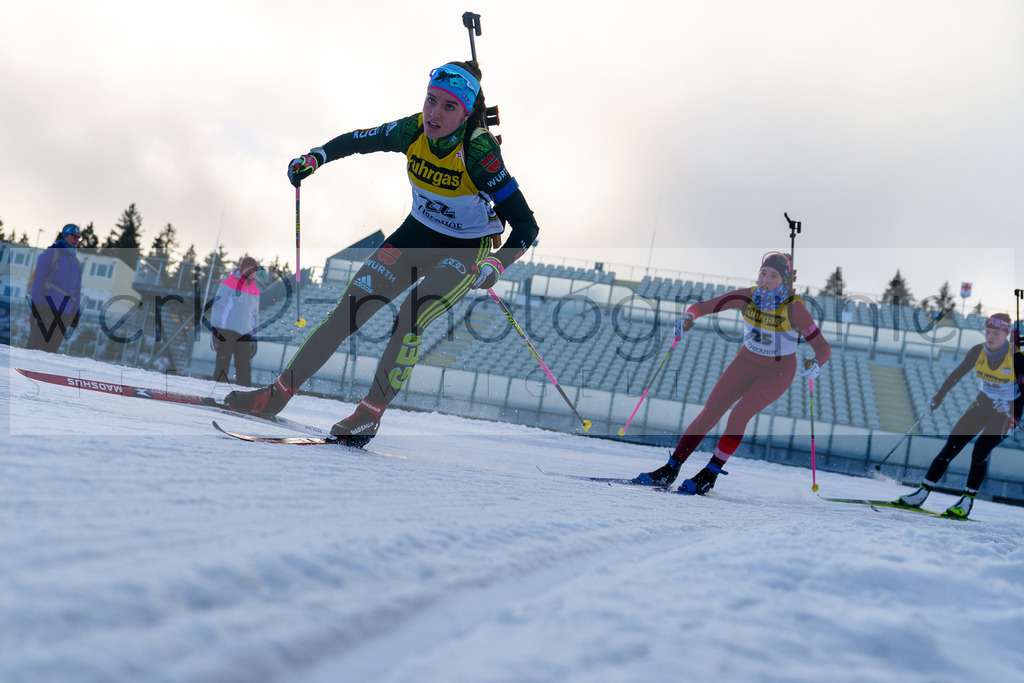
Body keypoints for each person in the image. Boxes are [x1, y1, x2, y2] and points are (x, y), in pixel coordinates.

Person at [225, 61, 539, 446]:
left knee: (413, 312)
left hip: (465, 249)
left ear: (465, 113)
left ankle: (369, 415)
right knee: (348, 312)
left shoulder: (479, 151)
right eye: (431, 100)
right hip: (416, 234)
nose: (434, 114)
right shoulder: (412, 129)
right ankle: (276, 396)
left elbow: (526, 226)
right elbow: (359, 140)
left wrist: (496, 264)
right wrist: (316, 157)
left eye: (449, 107)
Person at [633, 252, 832, 494]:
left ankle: (710, 473)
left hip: (778, 371)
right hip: (745, 361)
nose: (765, 280)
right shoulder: (746, 296)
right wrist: (688, 316)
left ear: (785, 281)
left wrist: (816, 363)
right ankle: (671, 468)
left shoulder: (794, 308)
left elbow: (823, 347)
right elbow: (702, 307)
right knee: (710, 412)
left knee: (739, 415)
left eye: (773, 276)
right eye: (763, 273)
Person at [895, 313, 1023, 518]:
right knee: (952, 445)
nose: (989, 337)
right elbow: (956, 375)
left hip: (1008, 412)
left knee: (980, 450)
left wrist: (1010, 404)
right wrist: (938, 397)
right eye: (987, 332)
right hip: (984, 402)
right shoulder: (978, 351)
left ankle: (966, 501)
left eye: (995, 334)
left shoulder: (1017, 358)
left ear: (1006, 335)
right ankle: (921, 493)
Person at [27, 223, 83, 353]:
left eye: (78, 237)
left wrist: (76, 314)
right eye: (73, 236)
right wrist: (37, 306)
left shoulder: (77, 264)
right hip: (46, 308)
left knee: (51, 350)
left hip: (65, 314)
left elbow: (77, 292)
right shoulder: (51, 254)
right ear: (65, 236)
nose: (76, 240)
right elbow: (38, 281)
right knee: (35, 347)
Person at [211, 256, 260, 387]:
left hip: (245, 333)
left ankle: (244, 394)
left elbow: (255, 315)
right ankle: (217, 391)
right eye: (249, 268)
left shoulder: (255, 290)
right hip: (227, 330)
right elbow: (218, 306)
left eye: (254, 270)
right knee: (222, 364)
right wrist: (215, 328)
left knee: (244, 367)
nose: (251, 272)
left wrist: (255, 337)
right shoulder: (228, 283)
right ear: (242, 269)